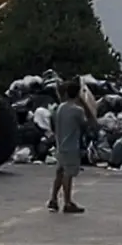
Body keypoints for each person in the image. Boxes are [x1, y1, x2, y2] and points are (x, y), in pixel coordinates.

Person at [47, 78, 94, 214]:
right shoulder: (77, 110)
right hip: (71, 146)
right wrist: (87, 107)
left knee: (59, 173)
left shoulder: (60, 108)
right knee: (68, 175)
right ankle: (67, 202)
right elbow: (88, 124)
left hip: (60, 145)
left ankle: (54, 200)